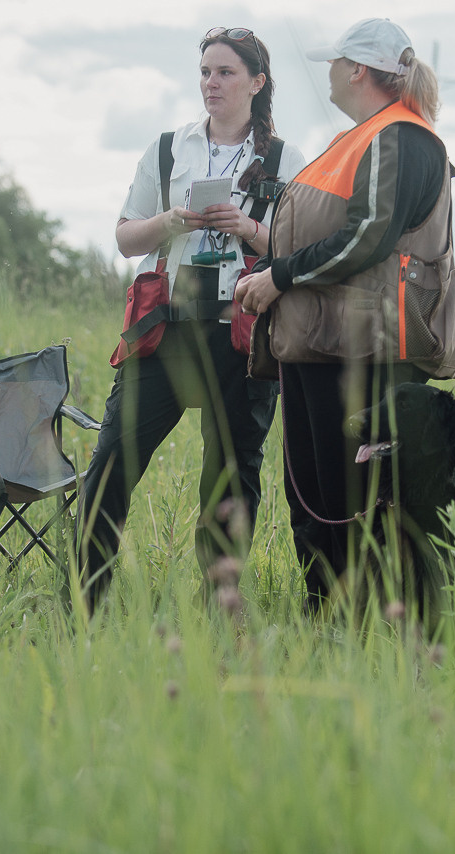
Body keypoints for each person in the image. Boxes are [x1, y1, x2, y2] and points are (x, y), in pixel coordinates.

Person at [234, 18, 455, 612]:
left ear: (358, 70)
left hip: (366, 350)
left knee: (355, 499)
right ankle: (329, 624)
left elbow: (368, 236)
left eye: (336, 63)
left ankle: (376, 633)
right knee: (314, 495)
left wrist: (278, 277)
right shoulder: (356, 138)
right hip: (322, 343)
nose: (328, 73)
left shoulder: (402, 138)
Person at [76, 27, 306, 614]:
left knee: (230, 479)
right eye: (205, 71)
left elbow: (301, 251)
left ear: (257, 83)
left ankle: (215, 615)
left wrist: (245, 227)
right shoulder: (165, 148)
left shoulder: (285, 159)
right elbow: (127, 238)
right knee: (111, 463)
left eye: (225, 73)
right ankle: (85, 604)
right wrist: (175, 219)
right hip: (168, 327)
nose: (211, 83)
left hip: (243, 330)